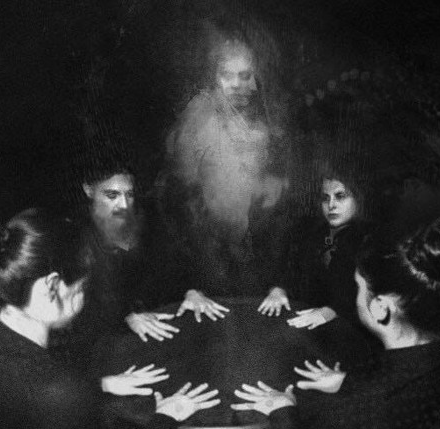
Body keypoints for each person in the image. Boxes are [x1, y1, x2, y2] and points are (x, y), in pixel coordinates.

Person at [0, 207, 220, 429]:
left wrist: (101, 385)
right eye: (81, 288)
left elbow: (31, 392)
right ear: (52, 285)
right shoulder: (59, 394)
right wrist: (166, 417)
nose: (84, 298)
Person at [233, 216, 440, 429]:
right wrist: (349, 382)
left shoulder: (369, 410)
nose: (355, 296)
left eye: (358, 288)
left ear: (380, 308)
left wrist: (282, 411)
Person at [158, 35, 291, 298]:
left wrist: (273, 186)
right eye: (227, 76)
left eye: (245, 76)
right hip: (206, 242)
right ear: (215, 77)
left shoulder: (267, 120)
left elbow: (277, 183)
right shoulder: (198, 114)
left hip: (255, 242)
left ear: (255, 78)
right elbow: (183, 184)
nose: (236, 84)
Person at [78, 164, 229, 353]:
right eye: (112, 195)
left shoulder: (150, 221)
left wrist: (192, 291)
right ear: (89, 190)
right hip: (113, 347)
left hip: (163, 333)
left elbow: (180, 266)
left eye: (129, 195)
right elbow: (81, 315)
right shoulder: (75, 237)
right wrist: (126, 319)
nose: (124, 205)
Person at [259, 163, 369, 329]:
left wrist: (330, 311)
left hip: (348, 328)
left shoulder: (369, 240)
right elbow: (287, 271)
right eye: (325, 198)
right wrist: (278, 289)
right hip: (304, 320)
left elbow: (365, 297)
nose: (331, 205)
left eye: (340, 196)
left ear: (358, 199)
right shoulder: (309, 233)